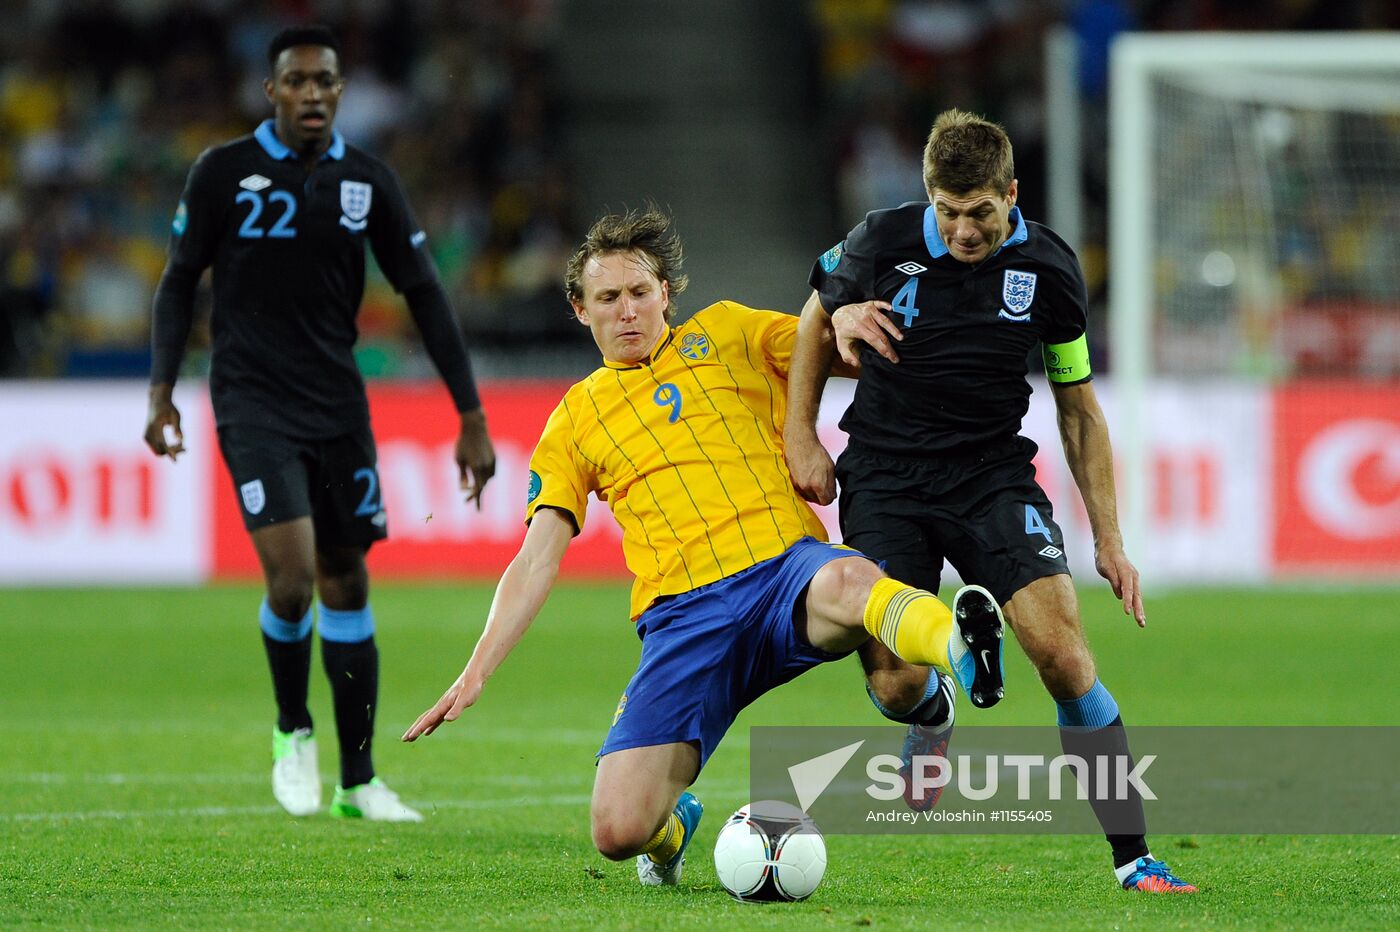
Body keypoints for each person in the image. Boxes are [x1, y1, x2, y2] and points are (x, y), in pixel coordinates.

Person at [402, 207, 1007, 885]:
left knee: (854, 585)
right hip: (683, 621)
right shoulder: (573, 418)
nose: (627, 310)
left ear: (666, 292)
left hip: (786, 574)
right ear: (579, 310)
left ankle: (959, 652)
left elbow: (833, 347)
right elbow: (538, 555)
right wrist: (477, 669)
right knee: (618, 831)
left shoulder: (729, 332)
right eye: (608, 298)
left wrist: (846, 320)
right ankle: (672, 828)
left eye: (640, 292)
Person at [784, 108, 1197, 894]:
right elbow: (813, 318)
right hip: (886, 477)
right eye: (948, 210)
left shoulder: (1050, 269)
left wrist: (1109, 538)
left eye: (980, 212)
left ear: (1012, 193)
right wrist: (802, 439)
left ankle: (1134, 857)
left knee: (1065, 655)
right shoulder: (882, 241)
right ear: (928, 196)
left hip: (991, 476)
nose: (964, 230)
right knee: (894, 684)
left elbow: (1077, 405)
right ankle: (933, 711)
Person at [143, 25, 496, 822]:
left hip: (337, 405)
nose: (312, 93)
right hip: (250, 400)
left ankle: (359, 781)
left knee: (347, 576)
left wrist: (470, 413)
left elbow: (424, 291)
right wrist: (162, 388)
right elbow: (176, 282)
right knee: (294, 576)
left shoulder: (368, 181)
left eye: (326, 81)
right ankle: (291, 729)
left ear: (340, 91)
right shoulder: (223, 173)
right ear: (271, 91)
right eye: (297, 81)